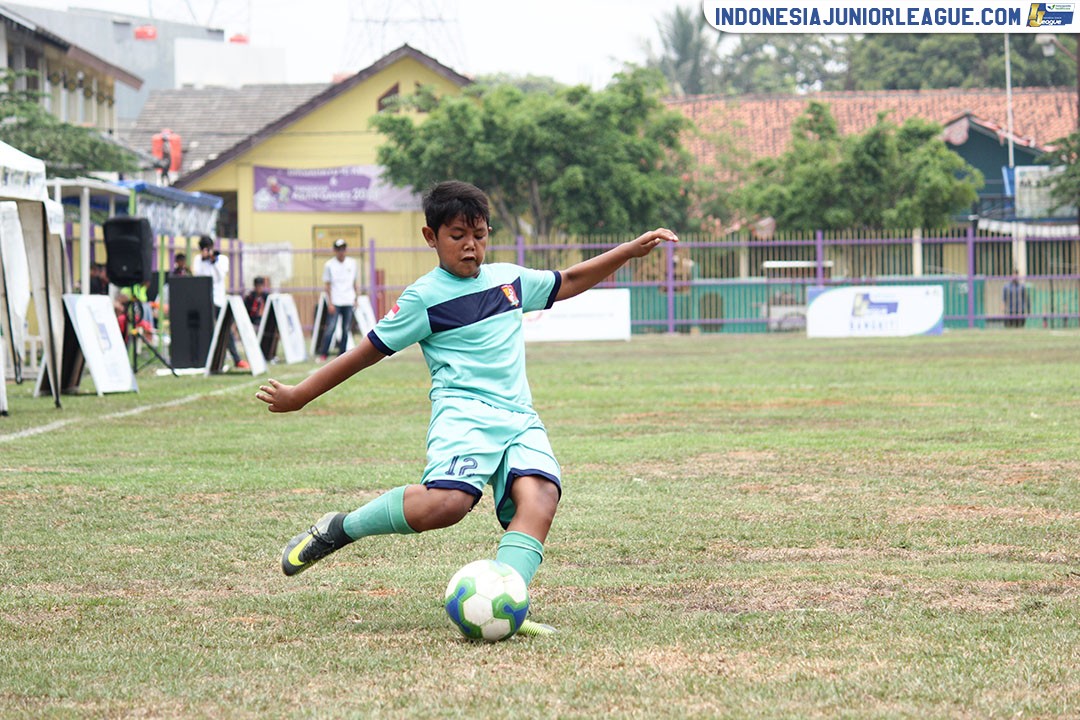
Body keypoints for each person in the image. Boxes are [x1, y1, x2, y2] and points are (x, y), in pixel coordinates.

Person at [256, 180, 678, 636]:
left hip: (519, 417)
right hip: (465, 417)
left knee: (541, 496)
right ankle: (341, 528)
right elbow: (365, 354)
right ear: (430, 237)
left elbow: (569, 281)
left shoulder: (509, 281)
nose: (470, 246)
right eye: (457, 236)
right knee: (448, 504)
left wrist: (628, 251)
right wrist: (298, 395)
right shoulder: (423, 298)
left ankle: (506, 597)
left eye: (479, 235)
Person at [193, 235, 248, 370]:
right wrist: (204, 259)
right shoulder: (198, 260)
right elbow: (197, 275)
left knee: (225, 330)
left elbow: (219, 277)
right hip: (203, 300)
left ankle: (236, 358)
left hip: (218, 300)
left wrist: (213, 261)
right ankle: (204, 359)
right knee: (204, 330)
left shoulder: (222, 259)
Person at [316, 238, 358, 362]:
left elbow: (355, 282)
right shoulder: (329, 265)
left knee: (346, 329)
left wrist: (356, 297)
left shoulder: (352, 263)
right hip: (336, 301)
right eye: (339, 249)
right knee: (331, 328)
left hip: (348, 300)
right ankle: (324, 353)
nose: (341, 252)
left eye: (343, 249)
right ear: (335, 250)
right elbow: (327, 285)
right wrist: (330, 302)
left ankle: (342, 354)